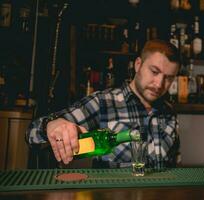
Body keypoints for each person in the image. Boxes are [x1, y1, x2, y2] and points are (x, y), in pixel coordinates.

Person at [26, 39, 181, 168]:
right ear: (138, 65)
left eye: (169, 77)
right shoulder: (103, 102)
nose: (160, 83)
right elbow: (31, 133)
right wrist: (51, 126)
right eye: (154, 72)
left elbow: (174, 163)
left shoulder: (169, 112)